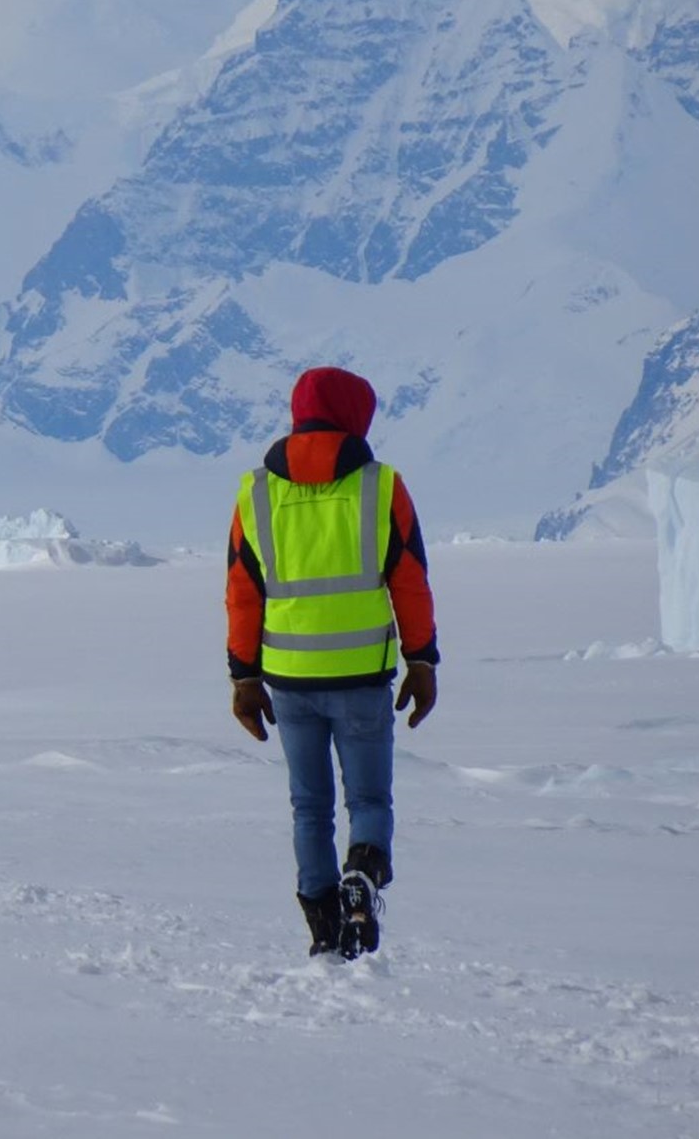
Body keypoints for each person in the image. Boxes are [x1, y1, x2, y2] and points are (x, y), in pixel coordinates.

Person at [224, 365, 439, 960]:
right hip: (363, 678)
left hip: (289, 680)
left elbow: (243, 592)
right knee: (368, 802)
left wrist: (243, 677)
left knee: (308, 805)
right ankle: (363, 877)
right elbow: (411, 581)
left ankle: (323, 927)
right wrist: (422, 661)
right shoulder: (381, 486)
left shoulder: (255, 493)